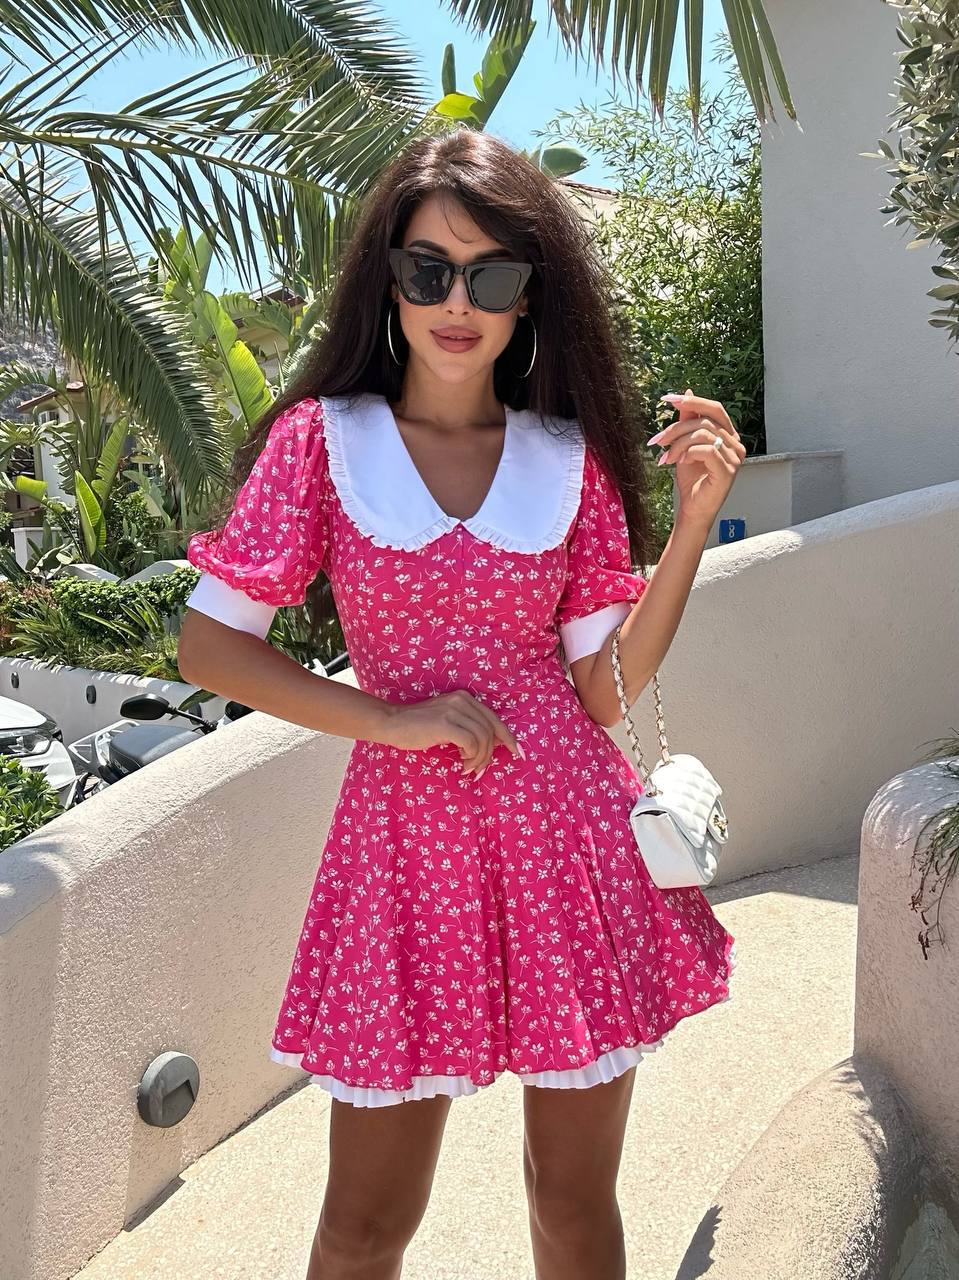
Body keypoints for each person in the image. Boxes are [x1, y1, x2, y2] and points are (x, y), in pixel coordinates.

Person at [177, 128, 744, 1280]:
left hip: (569, 844)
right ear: (388, 276)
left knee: (571, 1201)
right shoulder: (319, 444)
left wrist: (688, 525)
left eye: (489, 277)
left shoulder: (565, 457)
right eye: (428, 268)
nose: (456, 302)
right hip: (402, 852)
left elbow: (603, 685)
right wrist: (388, 719)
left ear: (528, 298)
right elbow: (208, 644)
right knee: (363, 1222)